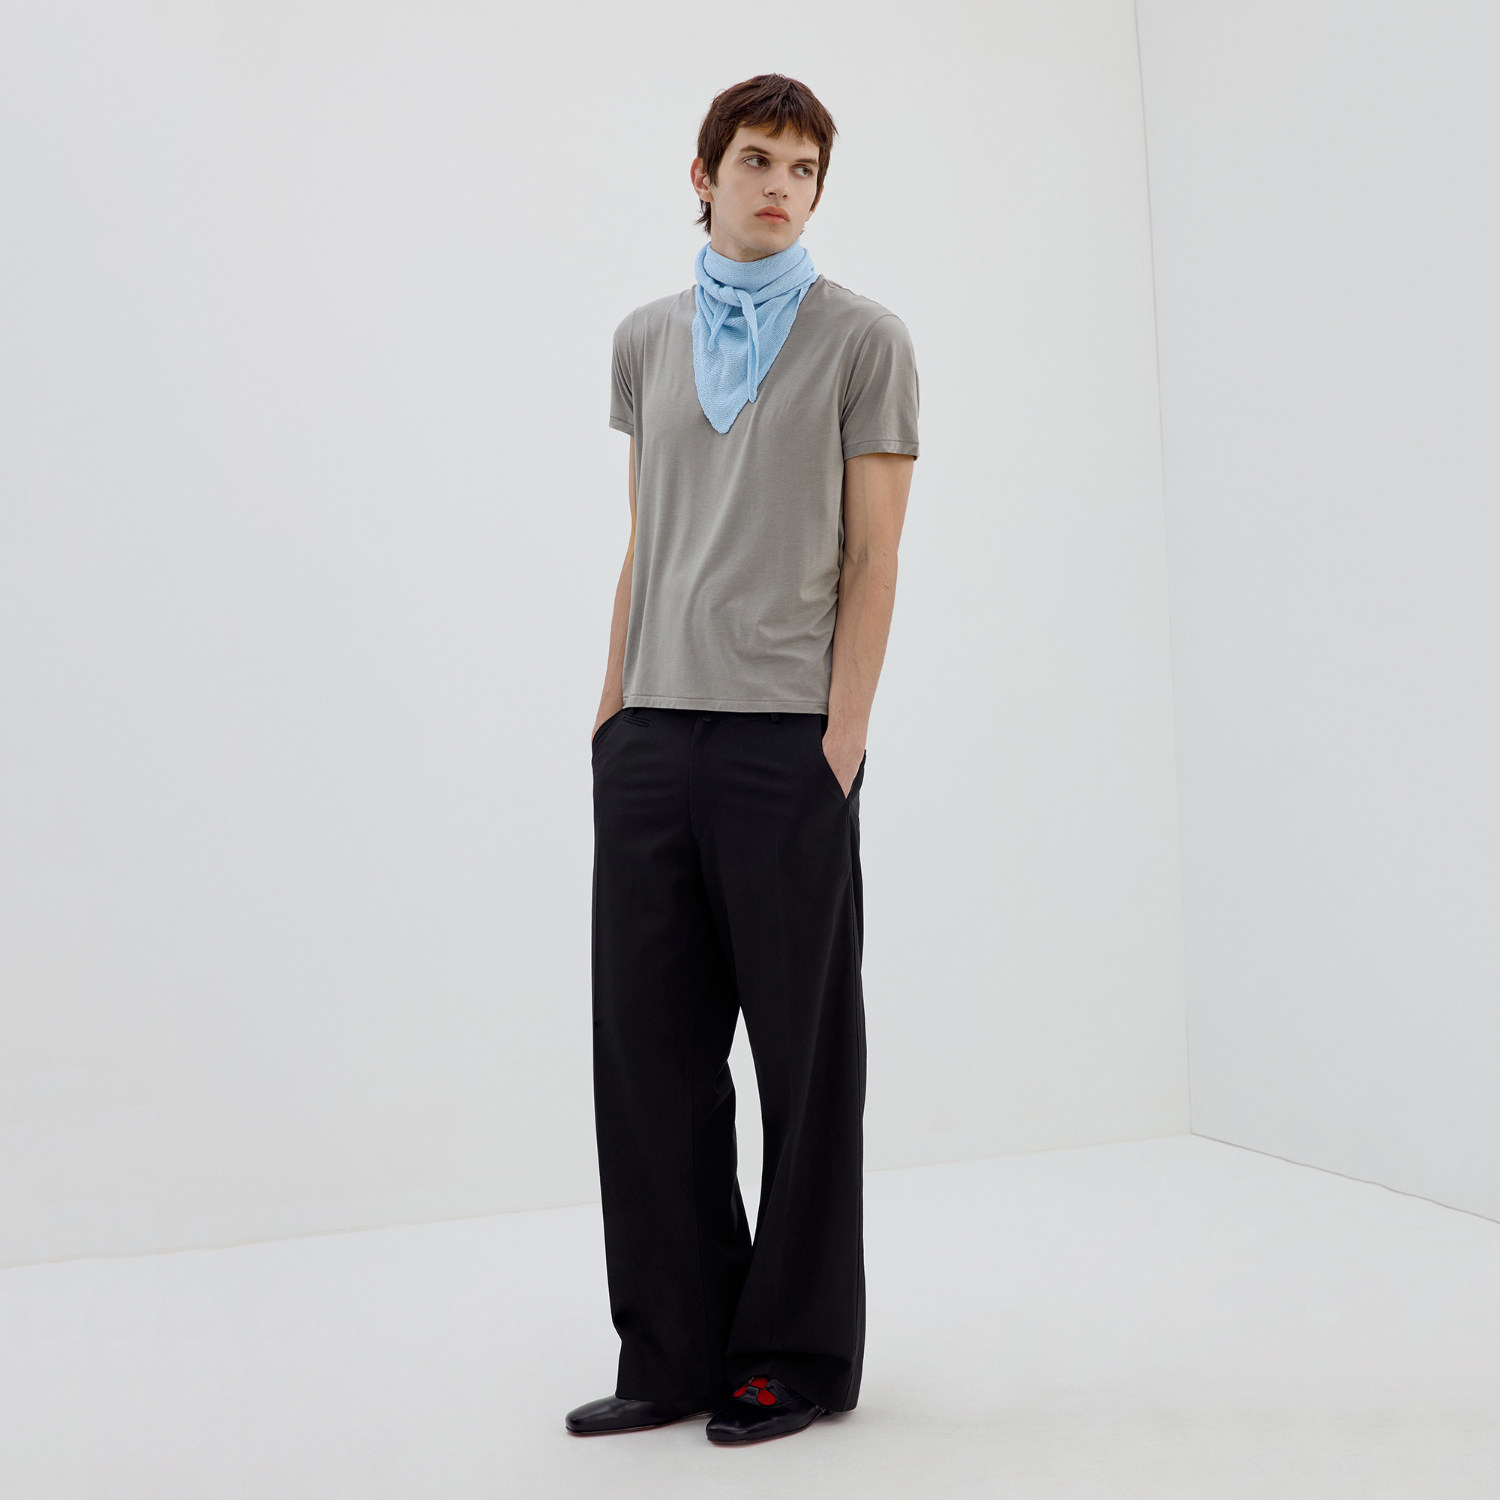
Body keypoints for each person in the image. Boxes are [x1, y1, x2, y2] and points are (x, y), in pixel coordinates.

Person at [566, 72, 919, 1447]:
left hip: (786, 744)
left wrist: (842, 740)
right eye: (758, 160)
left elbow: (876, 557)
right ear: (703, 174)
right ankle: (672, 1348)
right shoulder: (644, 341)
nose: (781, 186)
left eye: (804, 168)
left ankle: (794, 1354)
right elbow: (647, 534)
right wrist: (614, 711)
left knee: (804, 1062)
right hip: (654, 736)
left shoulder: (863, 341)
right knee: (648, 1060)